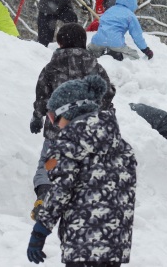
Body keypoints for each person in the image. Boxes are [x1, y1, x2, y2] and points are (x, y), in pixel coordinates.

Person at [26, 75, 136, 266]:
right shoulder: (121, 146)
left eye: (53, 116)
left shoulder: (69, 142)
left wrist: (40, 230)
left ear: (68, 112)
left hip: (82, 242)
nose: (53, 123)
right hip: (115, 244)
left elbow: (60, 190)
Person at [29, 23, 116, 221]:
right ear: (83, 42)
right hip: (88, 131)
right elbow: (107, 93)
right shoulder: (94, 66)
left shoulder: (50, 68)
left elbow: (42, 97)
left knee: (47, 166)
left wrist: (37, 116)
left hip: (56, 131)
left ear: (59, 42)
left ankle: (44, 197)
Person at [87, 0, 153, 61]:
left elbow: (101, 23)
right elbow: (137, 35)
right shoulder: (130, 15)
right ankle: (116, 55)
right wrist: (145, 49)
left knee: (90, 49)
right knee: (135, 56)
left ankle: (95, 53)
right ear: (133, 2)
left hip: (97, 41)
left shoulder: (109, 10)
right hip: (115, 43)